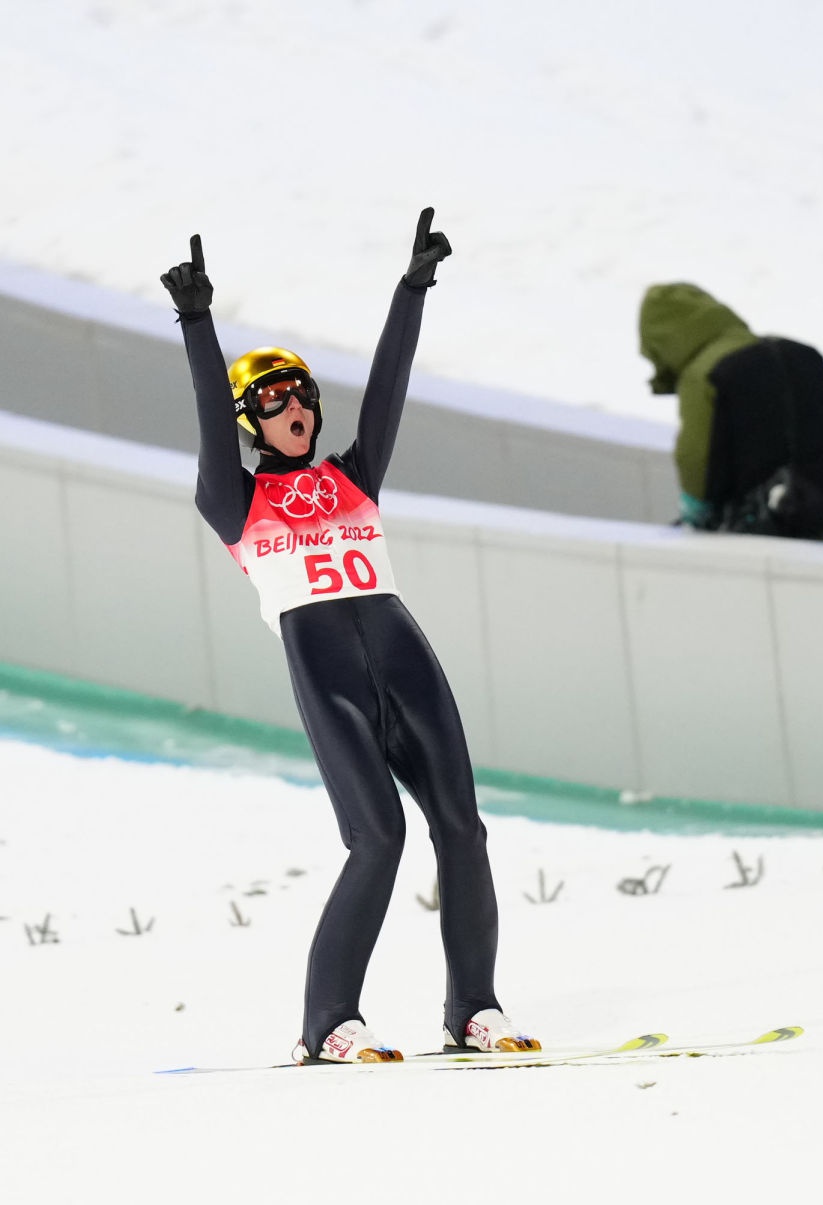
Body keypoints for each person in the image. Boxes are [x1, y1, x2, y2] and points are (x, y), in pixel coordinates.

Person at [160, 211, 540, 1064]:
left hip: (404, 652)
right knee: (378, 837)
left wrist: (412, 291)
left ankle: (473, 1007)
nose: (294, 405)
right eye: (272, 398)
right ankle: (328, 1021)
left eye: (302, 393)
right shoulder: (235, 500)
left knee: (463, 827)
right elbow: (209, 428)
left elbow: (390, 388)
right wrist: (197, 326)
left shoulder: (353, 477)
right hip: (325, 665)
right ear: (249, 422)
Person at [638, 282, 823, 544]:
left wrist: (695, 515)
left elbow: (696, 460)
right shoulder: (801, 355)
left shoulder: (704, 374)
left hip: (767, 541)